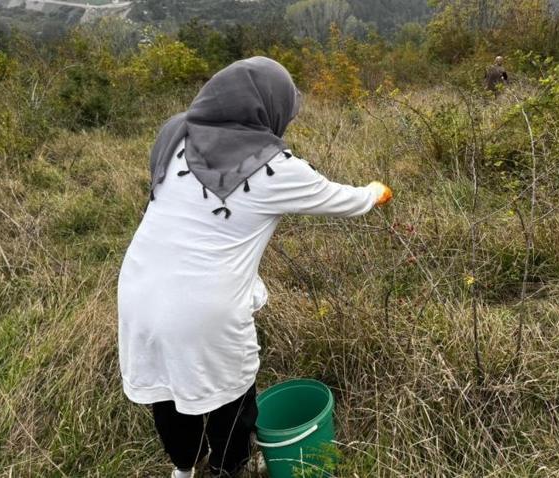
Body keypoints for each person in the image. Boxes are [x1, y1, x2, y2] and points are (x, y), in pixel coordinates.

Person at [117, 57, 393, 478]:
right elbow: (346, 201)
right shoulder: (274, 169)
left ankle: (183, 470)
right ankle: (229, 467)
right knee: (234, 393)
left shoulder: (176, 135)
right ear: (267, 108)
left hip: (138, 290)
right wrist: (375, 191)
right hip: (204, 307)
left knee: (169, 390)